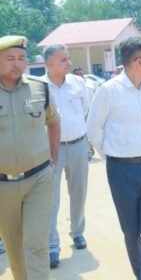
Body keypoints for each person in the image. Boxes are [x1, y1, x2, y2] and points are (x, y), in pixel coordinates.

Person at [86, 37, 141, 280]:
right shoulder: (109, 91)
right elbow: (93, 130)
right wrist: (114, 155)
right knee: (131, 230)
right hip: (122, 171)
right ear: (138, 61)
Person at [0, 35, 60, 280]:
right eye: (10, 58)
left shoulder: (39, 88)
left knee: (36, 244)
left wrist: (52, 159)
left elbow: (54, 123)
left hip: (39, 178)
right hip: (2, 185)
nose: (17, 63)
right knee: (15, 249)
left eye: (21, 58)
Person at [42, 44, 91, 268]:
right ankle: (52, 245)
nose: (69, 63)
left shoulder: (78, 83)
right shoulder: (39, 87)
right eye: (63, 60)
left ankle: (78, 232)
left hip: (78, 145)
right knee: (49, 198)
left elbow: (85, 110)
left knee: (79, 193)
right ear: (49, 63)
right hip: (50, 150)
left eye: (68, 58)